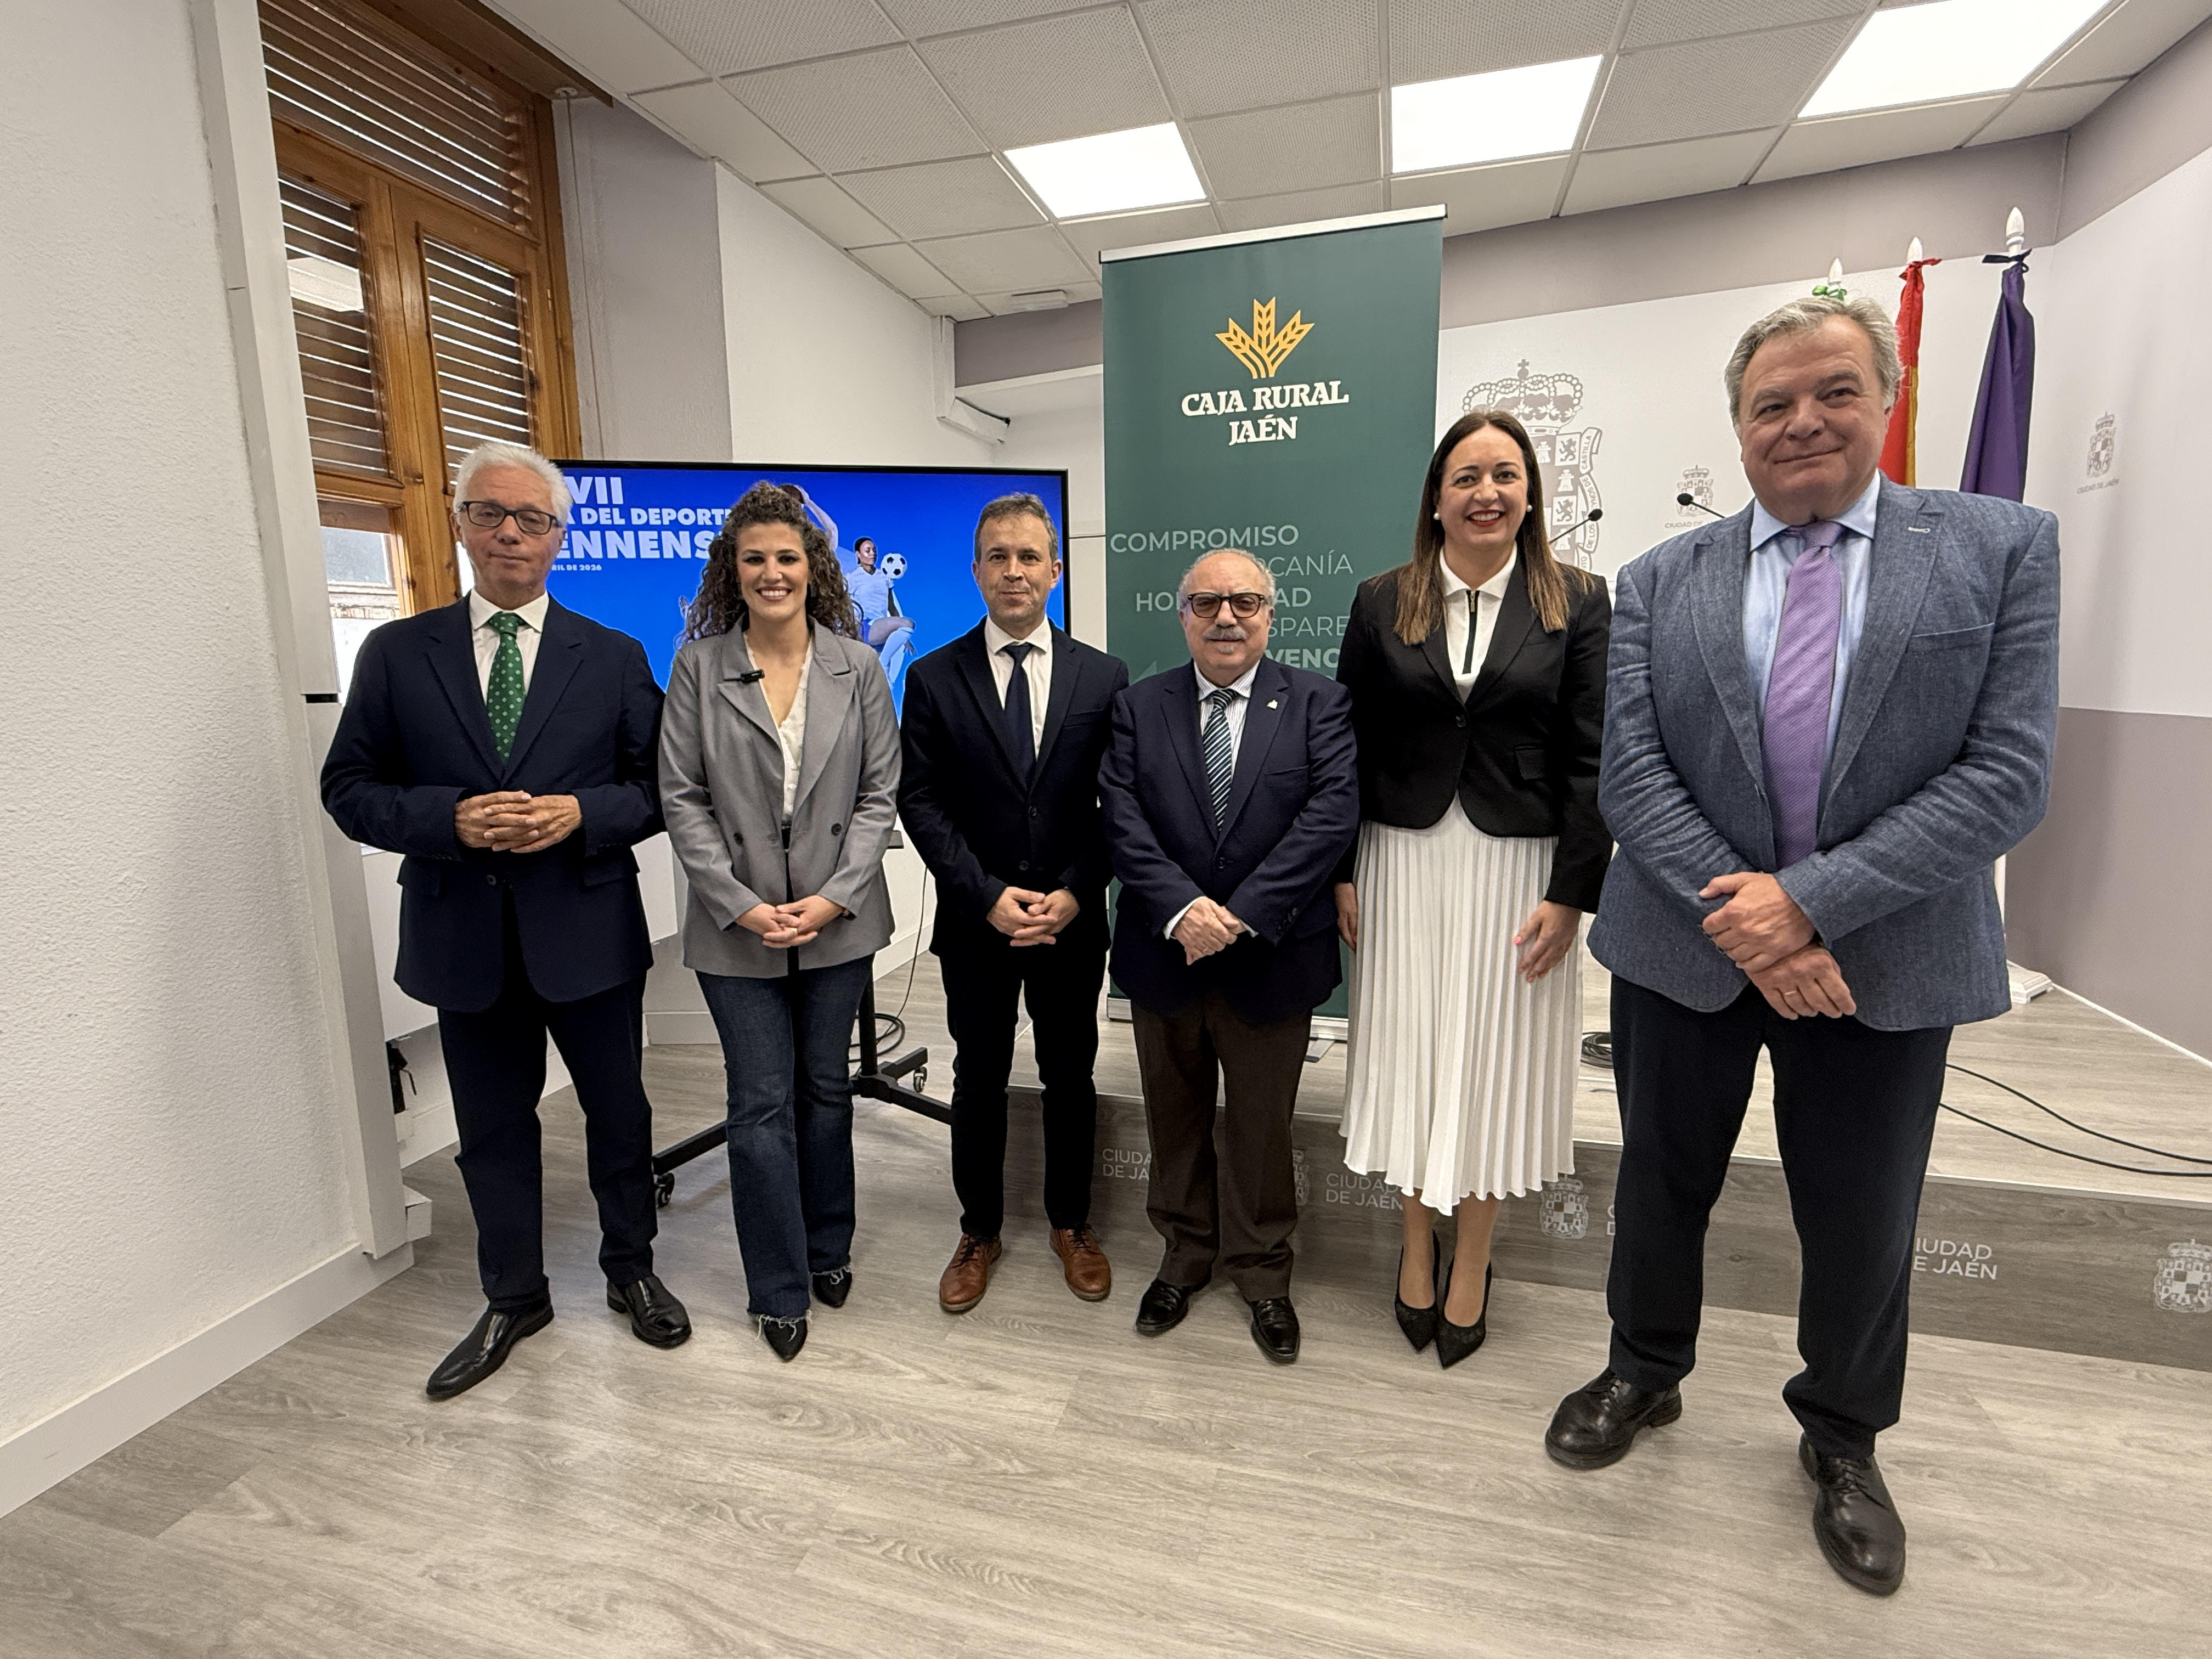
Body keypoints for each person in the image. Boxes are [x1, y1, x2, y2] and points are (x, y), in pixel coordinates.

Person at [1545, 294, 2059, 1596]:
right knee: (1662, 1181)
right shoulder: (1662, 579)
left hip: (1886, 957)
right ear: (1739, 427)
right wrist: (1757, 921)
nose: (1802, 422)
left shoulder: (2001, 549)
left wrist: (1811, 904)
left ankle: (1842, 1435)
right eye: (1770, 404)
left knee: (1863, 1211)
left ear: (1887, 399)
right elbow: (1633, 776)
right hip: (1686, 947)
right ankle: (1643, 1370)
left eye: (1834, 392)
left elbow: (2007, 774)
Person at [321, 439, 687, 1401]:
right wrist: (446, 819)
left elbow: (661, 787)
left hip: (588, 931)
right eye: (490, 513)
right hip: (463, 936)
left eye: (532, 518)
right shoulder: (397, 654)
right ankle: (514, 1295)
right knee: (490, 1127)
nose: (511, 533)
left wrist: (580, 815)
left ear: (560, 537)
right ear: (460, 524)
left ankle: (631, 1270)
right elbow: (348, 787)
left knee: (619, 1113)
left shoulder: (613, 656)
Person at [1333, 409, 1610, 1369]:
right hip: (1400, 857)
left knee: (1495, 1058)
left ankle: (1475, 1260)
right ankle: (1415, 1245)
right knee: (1412, 1050)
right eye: (1466, 477)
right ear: (1437, 499)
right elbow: (1346, 746)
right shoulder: (1383, 598)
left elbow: (1594, 757)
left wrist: (1574, 892)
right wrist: (1339, 870)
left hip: (1521, 868)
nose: (1485, 492)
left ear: (1530, 494)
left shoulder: (1579, 599)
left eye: (1504, 475)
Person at [1098, 550, 1359, 1364]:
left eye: (1244, 602)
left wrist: (1239, 916)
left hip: (1270, 956)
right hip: (1164, 953)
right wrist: (1183, 910)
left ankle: (1262, 1272)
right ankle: (1183, 1256)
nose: (1226, 618)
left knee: (1261, 1126)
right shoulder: (1138, 707)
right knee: (1172, 1116)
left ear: (1269, 614)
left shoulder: (1318, 703)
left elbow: (1331, 815)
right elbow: (1121, 817)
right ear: (1182, 615)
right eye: (1207, 602)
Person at [658, 483, 899, 1362]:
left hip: (840, 918)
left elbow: (879, 795)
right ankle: (777, 1287)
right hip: (737, 924)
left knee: (826, 1091)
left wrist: (834, 896)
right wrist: (742, 903)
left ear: (813, 567)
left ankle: (829, 1247)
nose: (772, 572)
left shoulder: (859, 666)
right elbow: (681, 798)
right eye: (754, 558)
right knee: (760, 1104)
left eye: (787, 557)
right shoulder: (697, 667)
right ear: (733, 569)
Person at [898, 494, 1128, 1313]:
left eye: (1029, 556)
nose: (1014, 571)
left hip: (1070, 921)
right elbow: (921, 802)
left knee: (1070, 1074)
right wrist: (987, 895)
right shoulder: (933, 678)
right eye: (998, 556)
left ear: (1055, 569)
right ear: (976, 571)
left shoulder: (1103, 676)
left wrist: (1076, 892)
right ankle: (979, 1231)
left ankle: (1072, 1223)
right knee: (978, 1078)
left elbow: (1120, 805)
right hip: (977, 924)